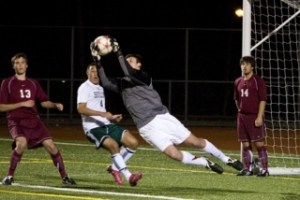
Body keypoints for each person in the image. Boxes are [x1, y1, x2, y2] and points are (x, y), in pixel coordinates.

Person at [90, 38, 243, 175]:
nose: (128, 62)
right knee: (174, 155)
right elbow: (105, 82)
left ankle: (226, 159)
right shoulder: (122, 82)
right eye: (127, 60)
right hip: (146, 127)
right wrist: (97, 60)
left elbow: (129, 72)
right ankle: (205, 162)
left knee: (195, 142)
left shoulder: (143, 76)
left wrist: (119, 53)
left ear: (139, 65)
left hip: (161, 117)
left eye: (131, 61)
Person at [0, 53, 76, 185]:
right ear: (13, 66)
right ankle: (9, 176)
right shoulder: (7, 83)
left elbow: (43, 102)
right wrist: (22, 104)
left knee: (51, 146)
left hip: (34, 121)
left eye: (23, 62)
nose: (20, 65)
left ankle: (65, 177)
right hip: (16, 120)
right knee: (21, 143)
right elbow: (1, 107)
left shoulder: (33, 83)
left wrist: (54, 104)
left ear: (27, 65)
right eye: (17, 62)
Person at [77, 62, 142, 186]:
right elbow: (81, 109)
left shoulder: (100, 88)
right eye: (92, 71)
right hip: (93, 128)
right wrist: (102, 114)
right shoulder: (84, 87)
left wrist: (112, 117)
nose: (95, 74)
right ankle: (129, 176)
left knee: (133, 143)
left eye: (97, 71)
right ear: (87, 73)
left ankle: (114, 168)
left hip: (107, 124)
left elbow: (101, 110)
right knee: (113, 145)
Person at [233, 55, 269, 177]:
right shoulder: (237, 81)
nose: (245, 66)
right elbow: (236, 99)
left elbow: (263, 100)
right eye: (243, 64)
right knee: (245, 143)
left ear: (252, 66)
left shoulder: (258, 81)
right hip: (242, 117)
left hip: (254, 116)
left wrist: (259, 117)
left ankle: (264, 170)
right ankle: (246, 169)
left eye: (247, 64)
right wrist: (240, 109)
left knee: (259, 143)